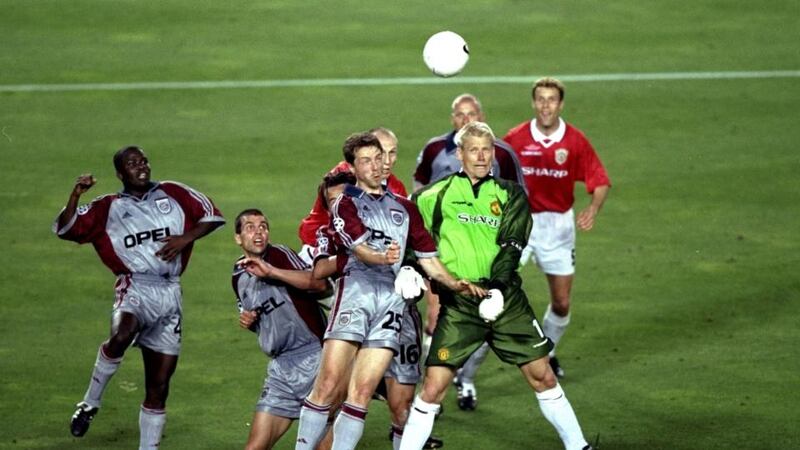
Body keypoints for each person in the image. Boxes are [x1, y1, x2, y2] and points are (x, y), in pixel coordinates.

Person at [401, 122, 593, 450]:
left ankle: (580, 446)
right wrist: (408, 267)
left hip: (506, 301)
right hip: (460, 303)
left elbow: (512, 245)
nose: (481, 156)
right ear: (459, 154)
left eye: (486, 150)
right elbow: (415, 238)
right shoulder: (432, 195)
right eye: (473, 149)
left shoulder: (511, 194)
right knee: (433, 387)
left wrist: (499, 290)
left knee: (542, 375)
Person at [294, 132, 483, 450]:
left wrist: (454, 283)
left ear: (385, 163)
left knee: (362, 395)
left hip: (391, 305)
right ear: (354, 168)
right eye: (364, 161)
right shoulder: (345, 203)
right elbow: (361, 250)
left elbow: (429, 259)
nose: (372, 165)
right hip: (356, 294)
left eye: (376, 158)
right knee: (327, 387)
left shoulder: (407, 210)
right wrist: (383, 257)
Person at [54, 146, 224, 449]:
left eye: (143, 161)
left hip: (171, 292)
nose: (142, 167)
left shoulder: (174, 193)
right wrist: (75, 195)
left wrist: (186, 238)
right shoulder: (108, 207)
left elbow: (212, 215)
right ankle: (90, 403)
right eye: (133, 164)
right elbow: (68, 229)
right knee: (121, 334)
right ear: (121, 174)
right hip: (135, 286)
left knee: (158, 387)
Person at [311, 153, 443, 450]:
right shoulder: (329, 232)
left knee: (402, 405)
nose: (339, 208)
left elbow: (420, 258)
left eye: (342, 199)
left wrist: (412, 270)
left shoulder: (392, 215)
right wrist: (354, 253)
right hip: (356, 314)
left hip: (401, 318)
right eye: (331, 202)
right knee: (337, 396)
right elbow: (318, 271)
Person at [413, 93, 525, 411]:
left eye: (472, 113)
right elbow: (418, 186)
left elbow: (519, 198)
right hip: (443, 247)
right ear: (453, 119)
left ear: (482, 116)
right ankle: (433, 387)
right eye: (460, 114)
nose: (466, 119)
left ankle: (467, 380)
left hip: (486, 251)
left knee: (488, 320)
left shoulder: (502, 152)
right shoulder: (436, 148)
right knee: (435, 318)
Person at [503, 77, 611, 378]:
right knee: (493, 292)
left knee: (562, 303)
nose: (546, 105)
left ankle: (547, 353)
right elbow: (493, 174)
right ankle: (465, 371)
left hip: (559, 226)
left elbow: (599, 181)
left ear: (561, 104)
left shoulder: (574, 141)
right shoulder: (515, 138)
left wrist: (593, 208)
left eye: (552, 99)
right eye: (541, 98)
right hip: (521, 223)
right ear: (534, 102)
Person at [232, 208, 333, 449]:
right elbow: (255, 314)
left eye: (263, 226)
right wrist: (248, 320)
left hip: (315, 360)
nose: (258, 232)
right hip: (281, 370)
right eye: (250, 227)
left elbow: (320, 284)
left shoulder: (279, 255)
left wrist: (272, 272)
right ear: (238, 238)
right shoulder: (238, 275)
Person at [297, 128, 407, 265]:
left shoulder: (396, 187)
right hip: (321, 245)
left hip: (367, 250)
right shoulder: (343, 177)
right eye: (381, 153)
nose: (387, 161)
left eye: (392, 152)